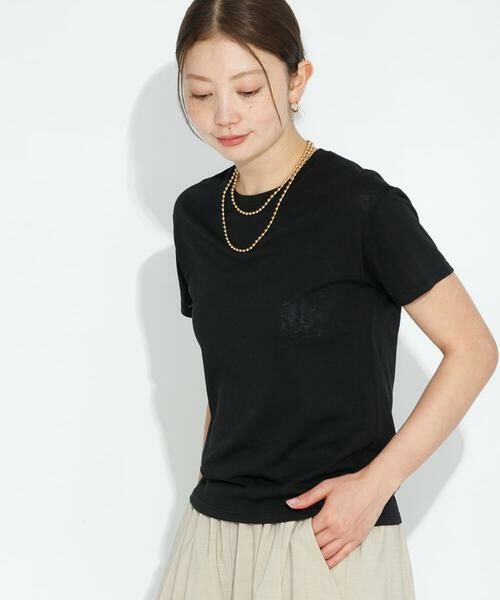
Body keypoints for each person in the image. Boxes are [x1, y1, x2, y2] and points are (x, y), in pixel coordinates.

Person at [157, 1, 498, 599]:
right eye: (201, 94)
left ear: (297, 81)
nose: (224, 114)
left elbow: (473, 349)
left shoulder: (363, 207)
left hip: (330, 540)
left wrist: (375, 485)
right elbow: (230, 373)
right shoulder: (195, 216)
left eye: (247, 89)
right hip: (213, 535)